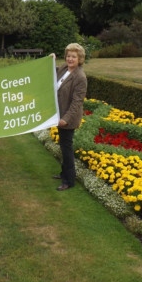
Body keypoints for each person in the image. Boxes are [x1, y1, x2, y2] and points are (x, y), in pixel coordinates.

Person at [53, 43, 88, 191]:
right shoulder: (63, 68)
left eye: (73, 56)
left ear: (79, 58)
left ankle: (69, 180)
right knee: (63, 145)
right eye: (68, 56)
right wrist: (51, 61)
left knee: (66, 148)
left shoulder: (80, 77)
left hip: (68, 118)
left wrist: (65, 119)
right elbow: (52, 73)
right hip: (59, 114)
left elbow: (77, 102)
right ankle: (63, 173)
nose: (70, 59)